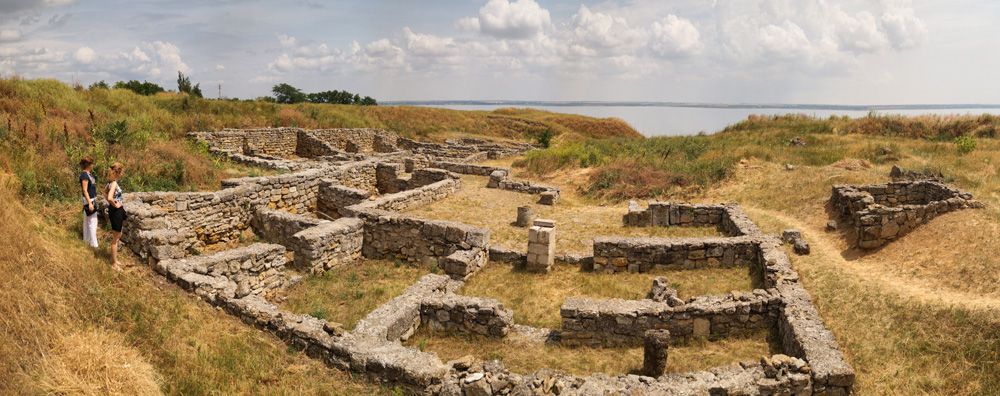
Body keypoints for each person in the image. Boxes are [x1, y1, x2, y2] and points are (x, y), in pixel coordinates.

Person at [105, 162, 127, 270]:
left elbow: (105, 193)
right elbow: (109, 197)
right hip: (116, 211)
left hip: (115, 210)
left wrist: (112, 203)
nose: (122, 174)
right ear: (119, 172)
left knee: (118, 235)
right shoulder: (113, 183)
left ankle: (115, 260)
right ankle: (114, 264)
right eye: (122, 171)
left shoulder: (110, 182)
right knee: (116, 238)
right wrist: (116, 204)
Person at [79, 156, 99, 248]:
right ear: (88, 165)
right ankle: (94, 245)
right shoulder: (84, 175)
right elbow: (84, 190)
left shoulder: (88, 174)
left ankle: (86, 241)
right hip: (89, 200)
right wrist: (90, 203)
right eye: (92, 163)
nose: (93, 165)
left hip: (90, 199)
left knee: (87, 222)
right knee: (93, 222)